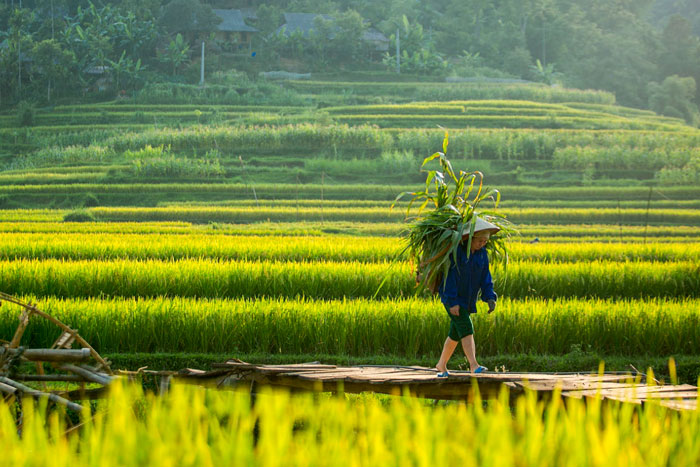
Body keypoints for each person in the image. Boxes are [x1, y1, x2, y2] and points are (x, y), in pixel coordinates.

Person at [435, 218, 499, 377]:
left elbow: (486, 277)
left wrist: (490, 297)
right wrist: (452, 302)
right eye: (480, 241)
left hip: (468, 300)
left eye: (485, 241)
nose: (482, 244)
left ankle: (441, 365)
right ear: (470, 238)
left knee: (455, 333)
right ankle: (473, 364)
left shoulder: (482, 255)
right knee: (466, 327)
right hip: (453, 299)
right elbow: (449, 278)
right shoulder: (457, 253)